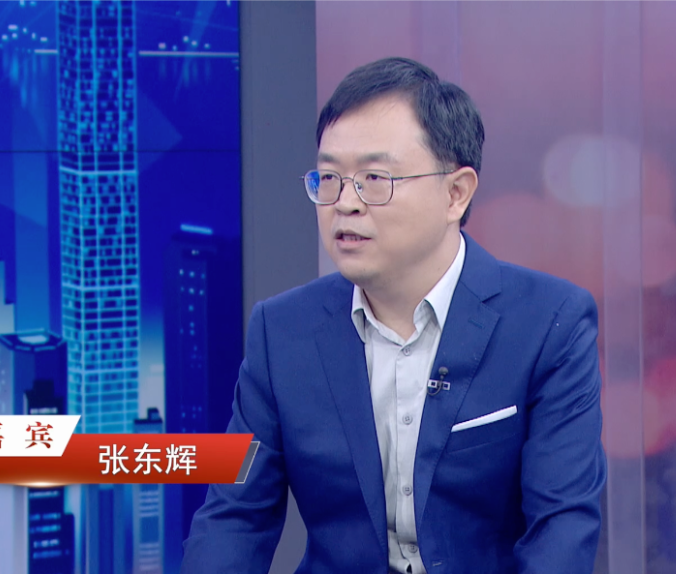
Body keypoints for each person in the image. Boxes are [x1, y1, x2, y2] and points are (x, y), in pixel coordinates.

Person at [181, 57, 606, 574]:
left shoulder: (548, 323)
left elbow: (561, 530)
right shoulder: (282, 331)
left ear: (455, 194)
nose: (345, 203)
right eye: (330, 178)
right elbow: (234, 519)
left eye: (374, 178)